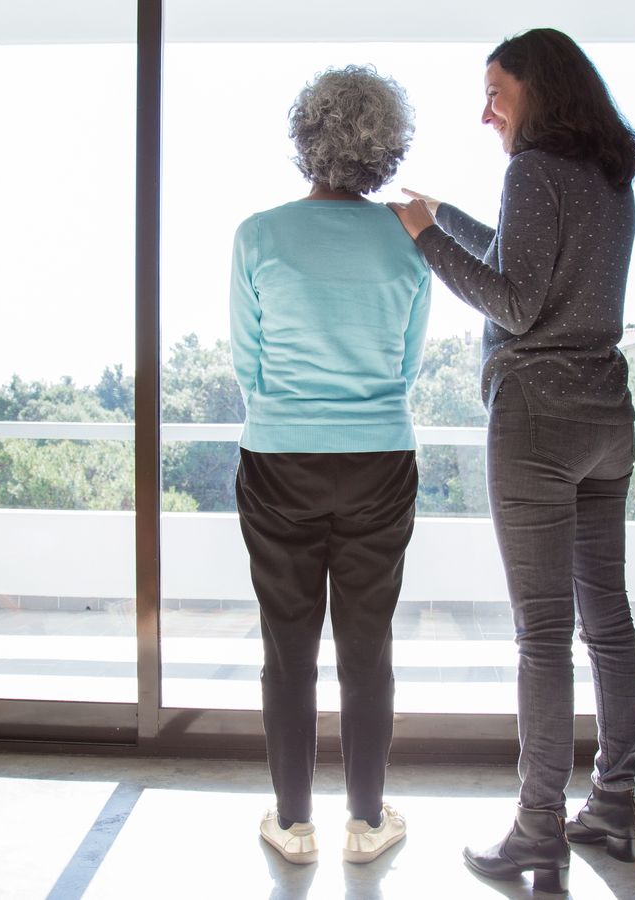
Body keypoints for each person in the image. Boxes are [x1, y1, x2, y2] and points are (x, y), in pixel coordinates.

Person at [388, 28, 635, 890]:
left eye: (497, 90)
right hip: (609, 413)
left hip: (538, 417)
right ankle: (614, 804)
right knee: (606, 620)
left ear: (539, 88)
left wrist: (425, 240)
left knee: (543, 634)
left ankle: (538, 830)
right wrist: (440, 213)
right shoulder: (611, 178)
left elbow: (512, 298)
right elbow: (520, 256)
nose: (486, 109)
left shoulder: (533, 173)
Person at [233, 64, 431, 867]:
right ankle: (365, 821)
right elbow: (407, 366)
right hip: (381, 458)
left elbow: (250, 368)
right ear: (386, 148)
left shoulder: (258, 235)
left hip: (279, 457)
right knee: (367, 645)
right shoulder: (409, 242)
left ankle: (292, 823)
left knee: (288, 647)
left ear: (306, 137)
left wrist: (293, 413)